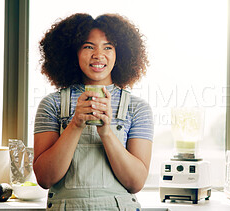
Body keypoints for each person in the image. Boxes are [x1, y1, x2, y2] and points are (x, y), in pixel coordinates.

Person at [33, 13, 154, 211]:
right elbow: (45, 179)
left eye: (108, 47)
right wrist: (75, 124)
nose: (98, 55)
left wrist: (106, 132)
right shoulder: (52, 104)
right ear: (74, 53)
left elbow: (135, 182)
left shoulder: (137, 108)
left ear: (120, 54)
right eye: (88, 47)